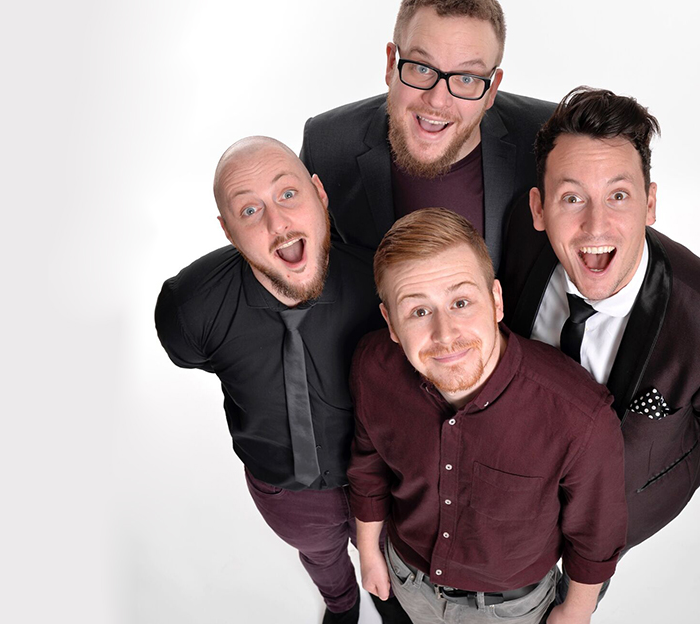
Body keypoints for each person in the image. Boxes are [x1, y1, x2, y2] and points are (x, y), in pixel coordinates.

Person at [501, 87, 700, 601]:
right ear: (539, 209)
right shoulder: (519, 232)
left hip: (612, 514)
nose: (595, 225)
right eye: (572, 198)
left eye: (619, 196)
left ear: (650, 204)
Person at [153, 136, 406, 624]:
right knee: (320, 556)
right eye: (249, 211)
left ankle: (391, 603)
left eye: (288, 194)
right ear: (227, 230)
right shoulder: (191, 309)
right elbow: (191, 357)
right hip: (285, 491)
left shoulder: (382, 284)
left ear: (320, 194)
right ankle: (342, 604)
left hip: (378, 477)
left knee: (389, 556)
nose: (277, 223)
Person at [347, 208, 627, 624]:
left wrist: (576, 612)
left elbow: (596, 535)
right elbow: (367, 465)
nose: (445, 335)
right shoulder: (373, 368)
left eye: (461, 302)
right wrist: (369, 553)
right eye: (418, 311)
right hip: (407, 578)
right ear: (390, 322)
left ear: (496, 300)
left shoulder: (580, 416)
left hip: (509, 609)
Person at [300, 0, 554, 273]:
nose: (437, 100)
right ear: (391, 64)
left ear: (492, 90)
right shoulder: (326, 145)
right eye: (422, 68)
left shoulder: (552, 138)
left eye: (466, 78)